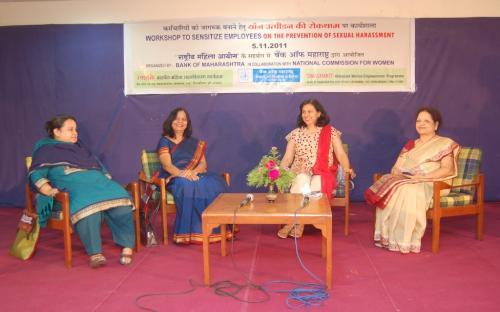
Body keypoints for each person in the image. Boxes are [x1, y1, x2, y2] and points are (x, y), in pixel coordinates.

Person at [28, 115, 136, 268]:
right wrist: (47, 189)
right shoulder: (45, 150)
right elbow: (36, 172)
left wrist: (107, 181)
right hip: (73, 188)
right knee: (87, 206)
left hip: (98, 184)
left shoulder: (80, 148)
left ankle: (127, 245)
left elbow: (98, 166)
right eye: (70, 129)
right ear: (56, 131)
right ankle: (95, 253)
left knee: (122, 201)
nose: (75, 133)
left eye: (76, 129)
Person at [365, 107, 460, 254]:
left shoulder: (445, 143)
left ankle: (405, 240)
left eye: (426, 121)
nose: (421, 124)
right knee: (391, 184)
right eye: (418, 121)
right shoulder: (411, 144)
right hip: (409, 179)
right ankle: (388, 237)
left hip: (434, 182)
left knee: (408, 190)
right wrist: (398, 173)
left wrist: (421, 177)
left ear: (435, 125)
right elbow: (396, 168)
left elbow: (447, 169)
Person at [278, 99, 355, 239]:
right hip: (299, 171)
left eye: (310, 111)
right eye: (304, 112)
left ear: (319, 113)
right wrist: (282, 171)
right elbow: (288, 157)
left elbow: (340, 154)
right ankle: (297, 222)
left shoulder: (330, 132)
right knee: (301, 180)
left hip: (323, 172)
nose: (306, 115)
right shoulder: (295, 133)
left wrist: (347, 168)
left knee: (316, 184)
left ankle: (296, 223)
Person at [157, 107, 227, 244]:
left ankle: (214, 230)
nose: (180, 122)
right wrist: (184, 175)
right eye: (177, 119)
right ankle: (189, 232)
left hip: (194, 174)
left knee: (215, 183)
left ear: (187, 123)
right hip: (175, 177)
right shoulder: (164, 141)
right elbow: (167, 166)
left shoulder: (194, 142)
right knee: (187, 185)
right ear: (171, 121)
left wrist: (193, 172)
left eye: (184, 119)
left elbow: (203, 164)